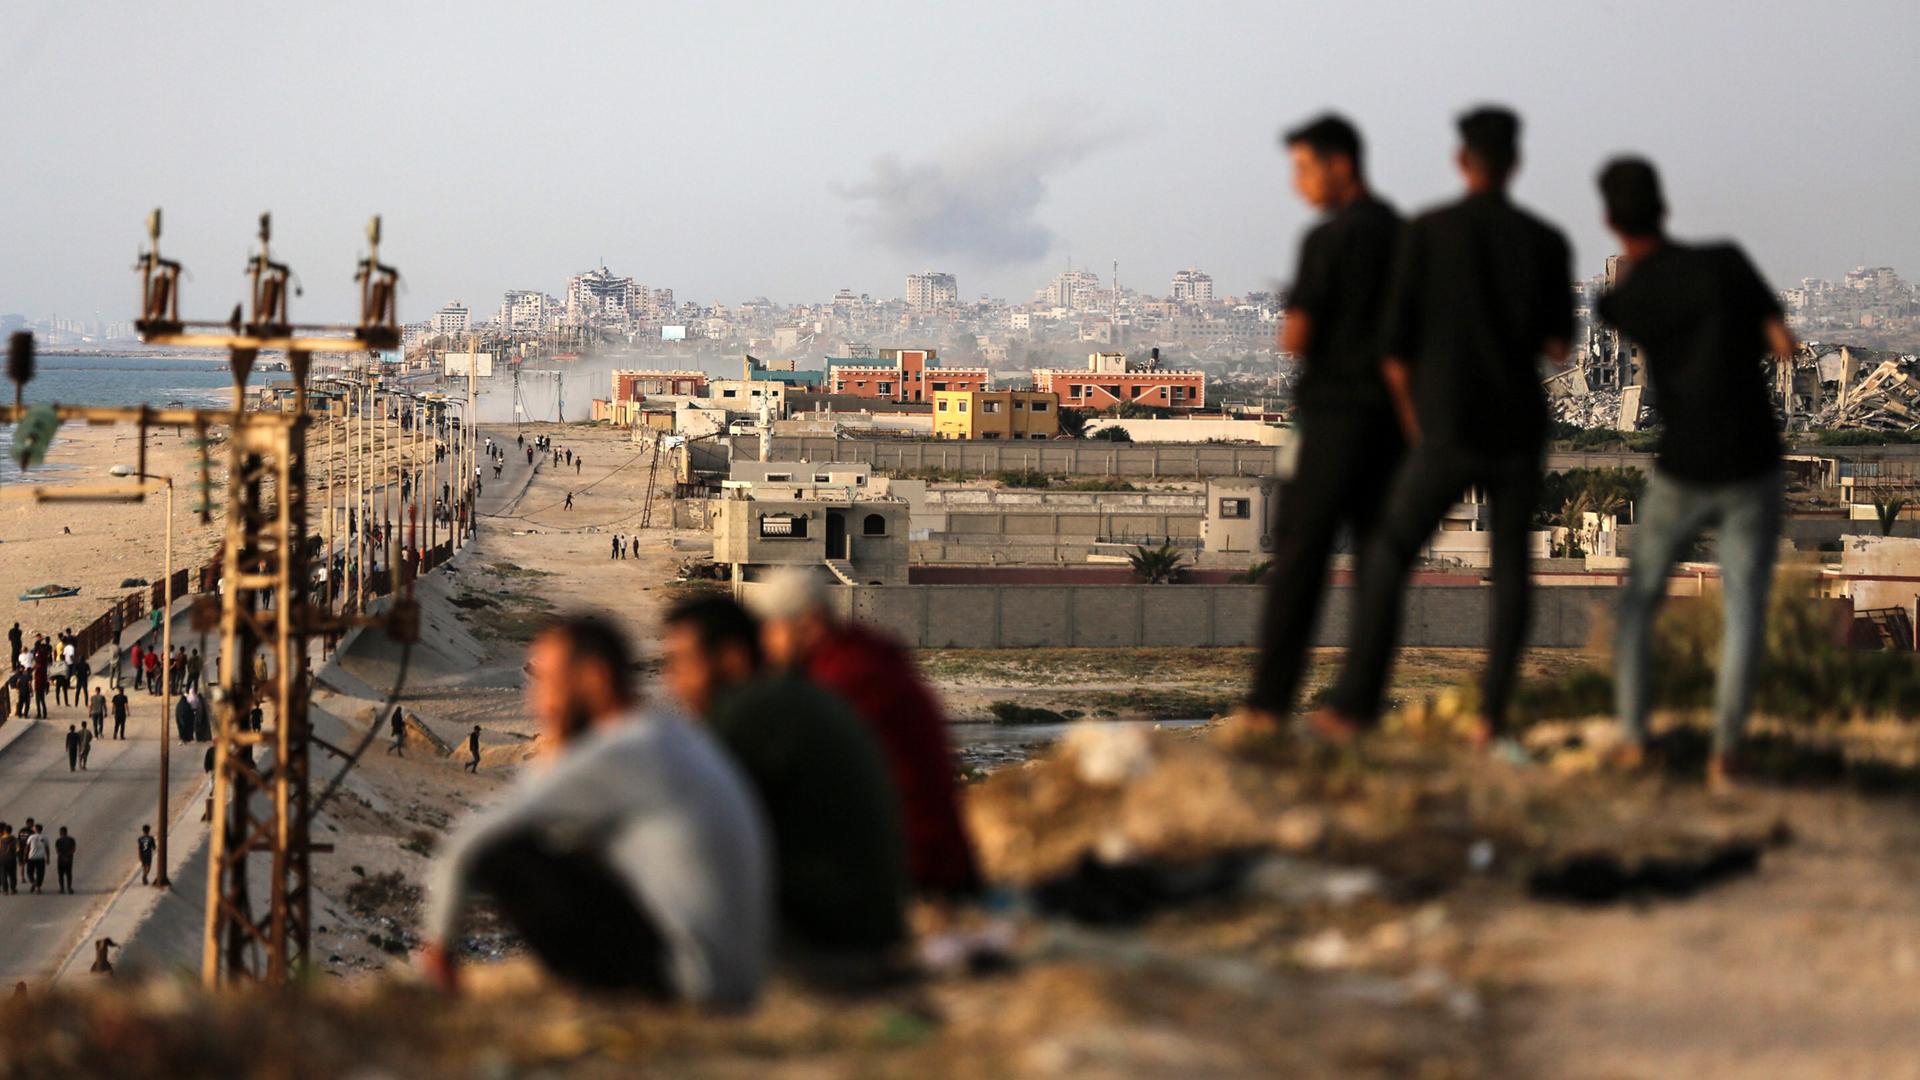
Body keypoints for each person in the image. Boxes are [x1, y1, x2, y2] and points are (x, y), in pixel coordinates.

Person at [1315, 107, 1573, 747]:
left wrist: (1417, 424)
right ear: (1515, 164)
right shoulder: (1544, 240)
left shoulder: (1427, 232)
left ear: (1461, 161)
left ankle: (1356, 703)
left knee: (1387, 556)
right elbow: (1561, 348)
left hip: (1448, 426)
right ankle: (1493, 715)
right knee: (1511, 569)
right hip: (1517, 424)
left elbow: (1394, 349)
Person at [421, 614, 771, 1003]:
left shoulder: (623, 751)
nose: (536, 699)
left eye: (548, 682)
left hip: (692, 980)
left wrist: (437, 948)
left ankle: (595, 994)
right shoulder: (666, 732)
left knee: (509, 854)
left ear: (595, 677)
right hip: (732, 974)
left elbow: (474, 839)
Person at [1594, 157, 1794, 791]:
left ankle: (1633, 738)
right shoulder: (1725, 264)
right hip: (1753, 459)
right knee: (1743, 609)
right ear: (1665, 206)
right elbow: (1783, 345)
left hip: (1685, 466)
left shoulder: (1623, 300)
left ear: (1610, 221)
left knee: (1639, 601)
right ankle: (1726, 751)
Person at [1243, 114, 1407, 729]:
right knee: (1376, 564)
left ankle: (1268, 705)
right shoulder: (1404, 235)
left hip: (1334, 418)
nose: (1299, 185)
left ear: (1340, 164)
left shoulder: (1328, 240)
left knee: (1301, 559)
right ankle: (1358, 705)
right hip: (1389, 426)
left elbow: (1297, 335)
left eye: (1305, 169)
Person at [661, 595, 909, 979]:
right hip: (863, 929)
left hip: (823, 948)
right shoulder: (791, 697)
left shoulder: (751, 715)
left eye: (682, 664)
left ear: (731, 658)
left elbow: (701, 845)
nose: (673, 682)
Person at [749, 569, 982, 899]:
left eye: (772, 631)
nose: (767, 645)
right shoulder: (865, 656)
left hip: (909, 864)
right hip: (934, 854)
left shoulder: (841, 679)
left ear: (807, 624)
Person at [53, 827, 75, 894]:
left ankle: (62, 889)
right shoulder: (71, 840)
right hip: (69, 860)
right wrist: (67, 856)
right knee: (69, 874)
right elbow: (73, 849)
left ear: (61, 832)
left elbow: (57, 851)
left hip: (61, 860)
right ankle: (69, 888)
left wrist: (63, 857)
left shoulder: (58, 840)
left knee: (60, 875)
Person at [0, 825, 15, 895]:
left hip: (2, 858)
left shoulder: (1, 839)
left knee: (3, 874)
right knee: (12, 874)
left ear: (4, 831)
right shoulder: (14, 839)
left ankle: (5, 890)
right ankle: (13, 889)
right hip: (11, 858)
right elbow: (17, 849)